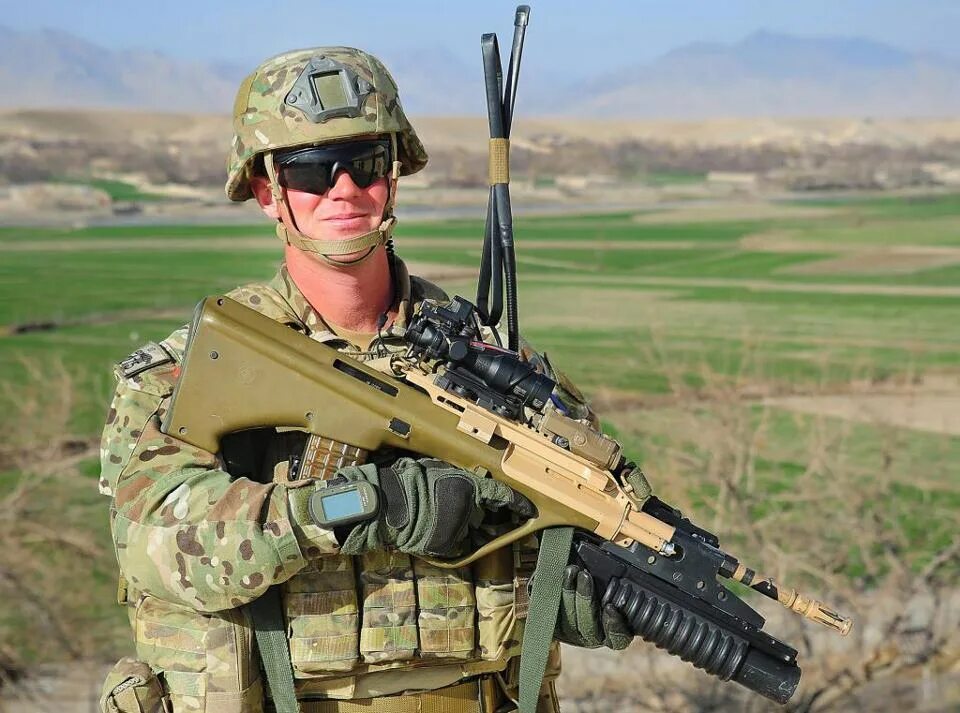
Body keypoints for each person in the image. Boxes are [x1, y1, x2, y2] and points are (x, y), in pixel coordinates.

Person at [97, 47, 632, 713]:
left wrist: (572, 589)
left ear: (394, 176)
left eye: (366, 162)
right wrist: (360, 504)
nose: (344, 188)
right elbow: (156, 547)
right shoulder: (187, 373)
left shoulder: (489, 363)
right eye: (311, 169)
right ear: (267, 191)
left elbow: (573, 521)